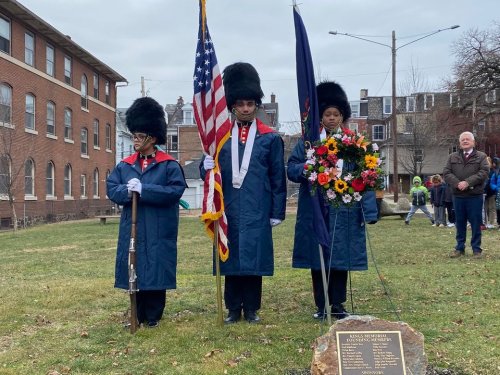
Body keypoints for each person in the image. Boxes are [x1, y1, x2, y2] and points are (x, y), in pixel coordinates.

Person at [200, 62, 287, 324]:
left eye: (250, 104)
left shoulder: (270, 138)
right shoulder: (220, 137)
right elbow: (214, 176)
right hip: (229, 207)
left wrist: (277, 211)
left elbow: (276, 177)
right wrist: (207, 167)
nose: (246, 108)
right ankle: (232, 308)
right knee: (231, 257)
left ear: (257, 105)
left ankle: (251, 308)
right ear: (232, 106)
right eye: (241, 104)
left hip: (258, 207)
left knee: (254, 258)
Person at [287, 81, 378, 320]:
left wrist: (369, 212)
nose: (331, 118)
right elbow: (292, 169)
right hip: (316, 208)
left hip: (345, 209)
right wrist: (309, 167)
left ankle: (337, 303)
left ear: (342, 116)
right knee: (318, 259)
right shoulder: (308, 143)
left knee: (340, 258)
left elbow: (367, 176)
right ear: (320, 116)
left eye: (336, 114)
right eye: (327, 114)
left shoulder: (355, 143)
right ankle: (321, 304)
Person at [107, 97, 187, 328]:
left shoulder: (169, 165)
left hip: (158, 225)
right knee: (135, 266)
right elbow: (112, 188)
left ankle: (153, 315)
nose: (135, 140)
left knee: (155, 268)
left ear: (152, 138)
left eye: (140, 136)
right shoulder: (125, 165)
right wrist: (126, 191)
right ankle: (136, 312)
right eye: (134, 135)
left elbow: (175, 191)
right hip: (132, 226)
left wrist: (144, 190)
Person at [443, 131, 489, 258]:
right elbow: (446, 173)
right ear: (459, 143)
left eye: (467, 139)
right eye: (462, 139)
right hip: (458, 196)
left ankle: (476, 249)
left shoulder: (481, 156)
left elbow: (484, 172)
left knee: (475, 222)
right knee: (460, 222)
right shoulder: (452, 157)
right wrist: (458, 183)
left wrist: (468, 182)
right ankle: (459, 248)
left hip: (475, 195)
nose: (465, 141)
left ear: (473, 142)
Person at [484, 157, 497, 229]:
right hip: (484, 192)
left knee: (491, 207)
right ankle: (486, 222)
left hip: (492, 192)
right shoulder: (483, 171)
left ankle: (491, 223)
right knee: (485, 208)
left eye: (488, 162)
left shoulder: (493, 172)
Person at [489, 157, 500, 229]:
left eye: (494, 163)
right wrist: (496, 188)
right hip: (498, 193)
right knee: (498, 209)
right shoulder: (495, 173)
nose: (493, 164)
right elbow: (492, 183)